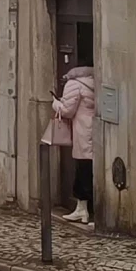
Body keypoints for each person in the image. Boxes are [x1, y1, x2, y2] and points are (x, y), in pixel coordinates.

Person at [54, 62, 97, 223]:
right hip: (94, 129)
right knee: (89, 167)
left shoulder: (74, 84)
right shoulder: (95, 81)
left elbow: (67, 110)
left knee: (82, 168)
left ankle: (82, 209)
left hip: (82, 130)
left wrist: (55, 103)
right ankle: (86, 209)